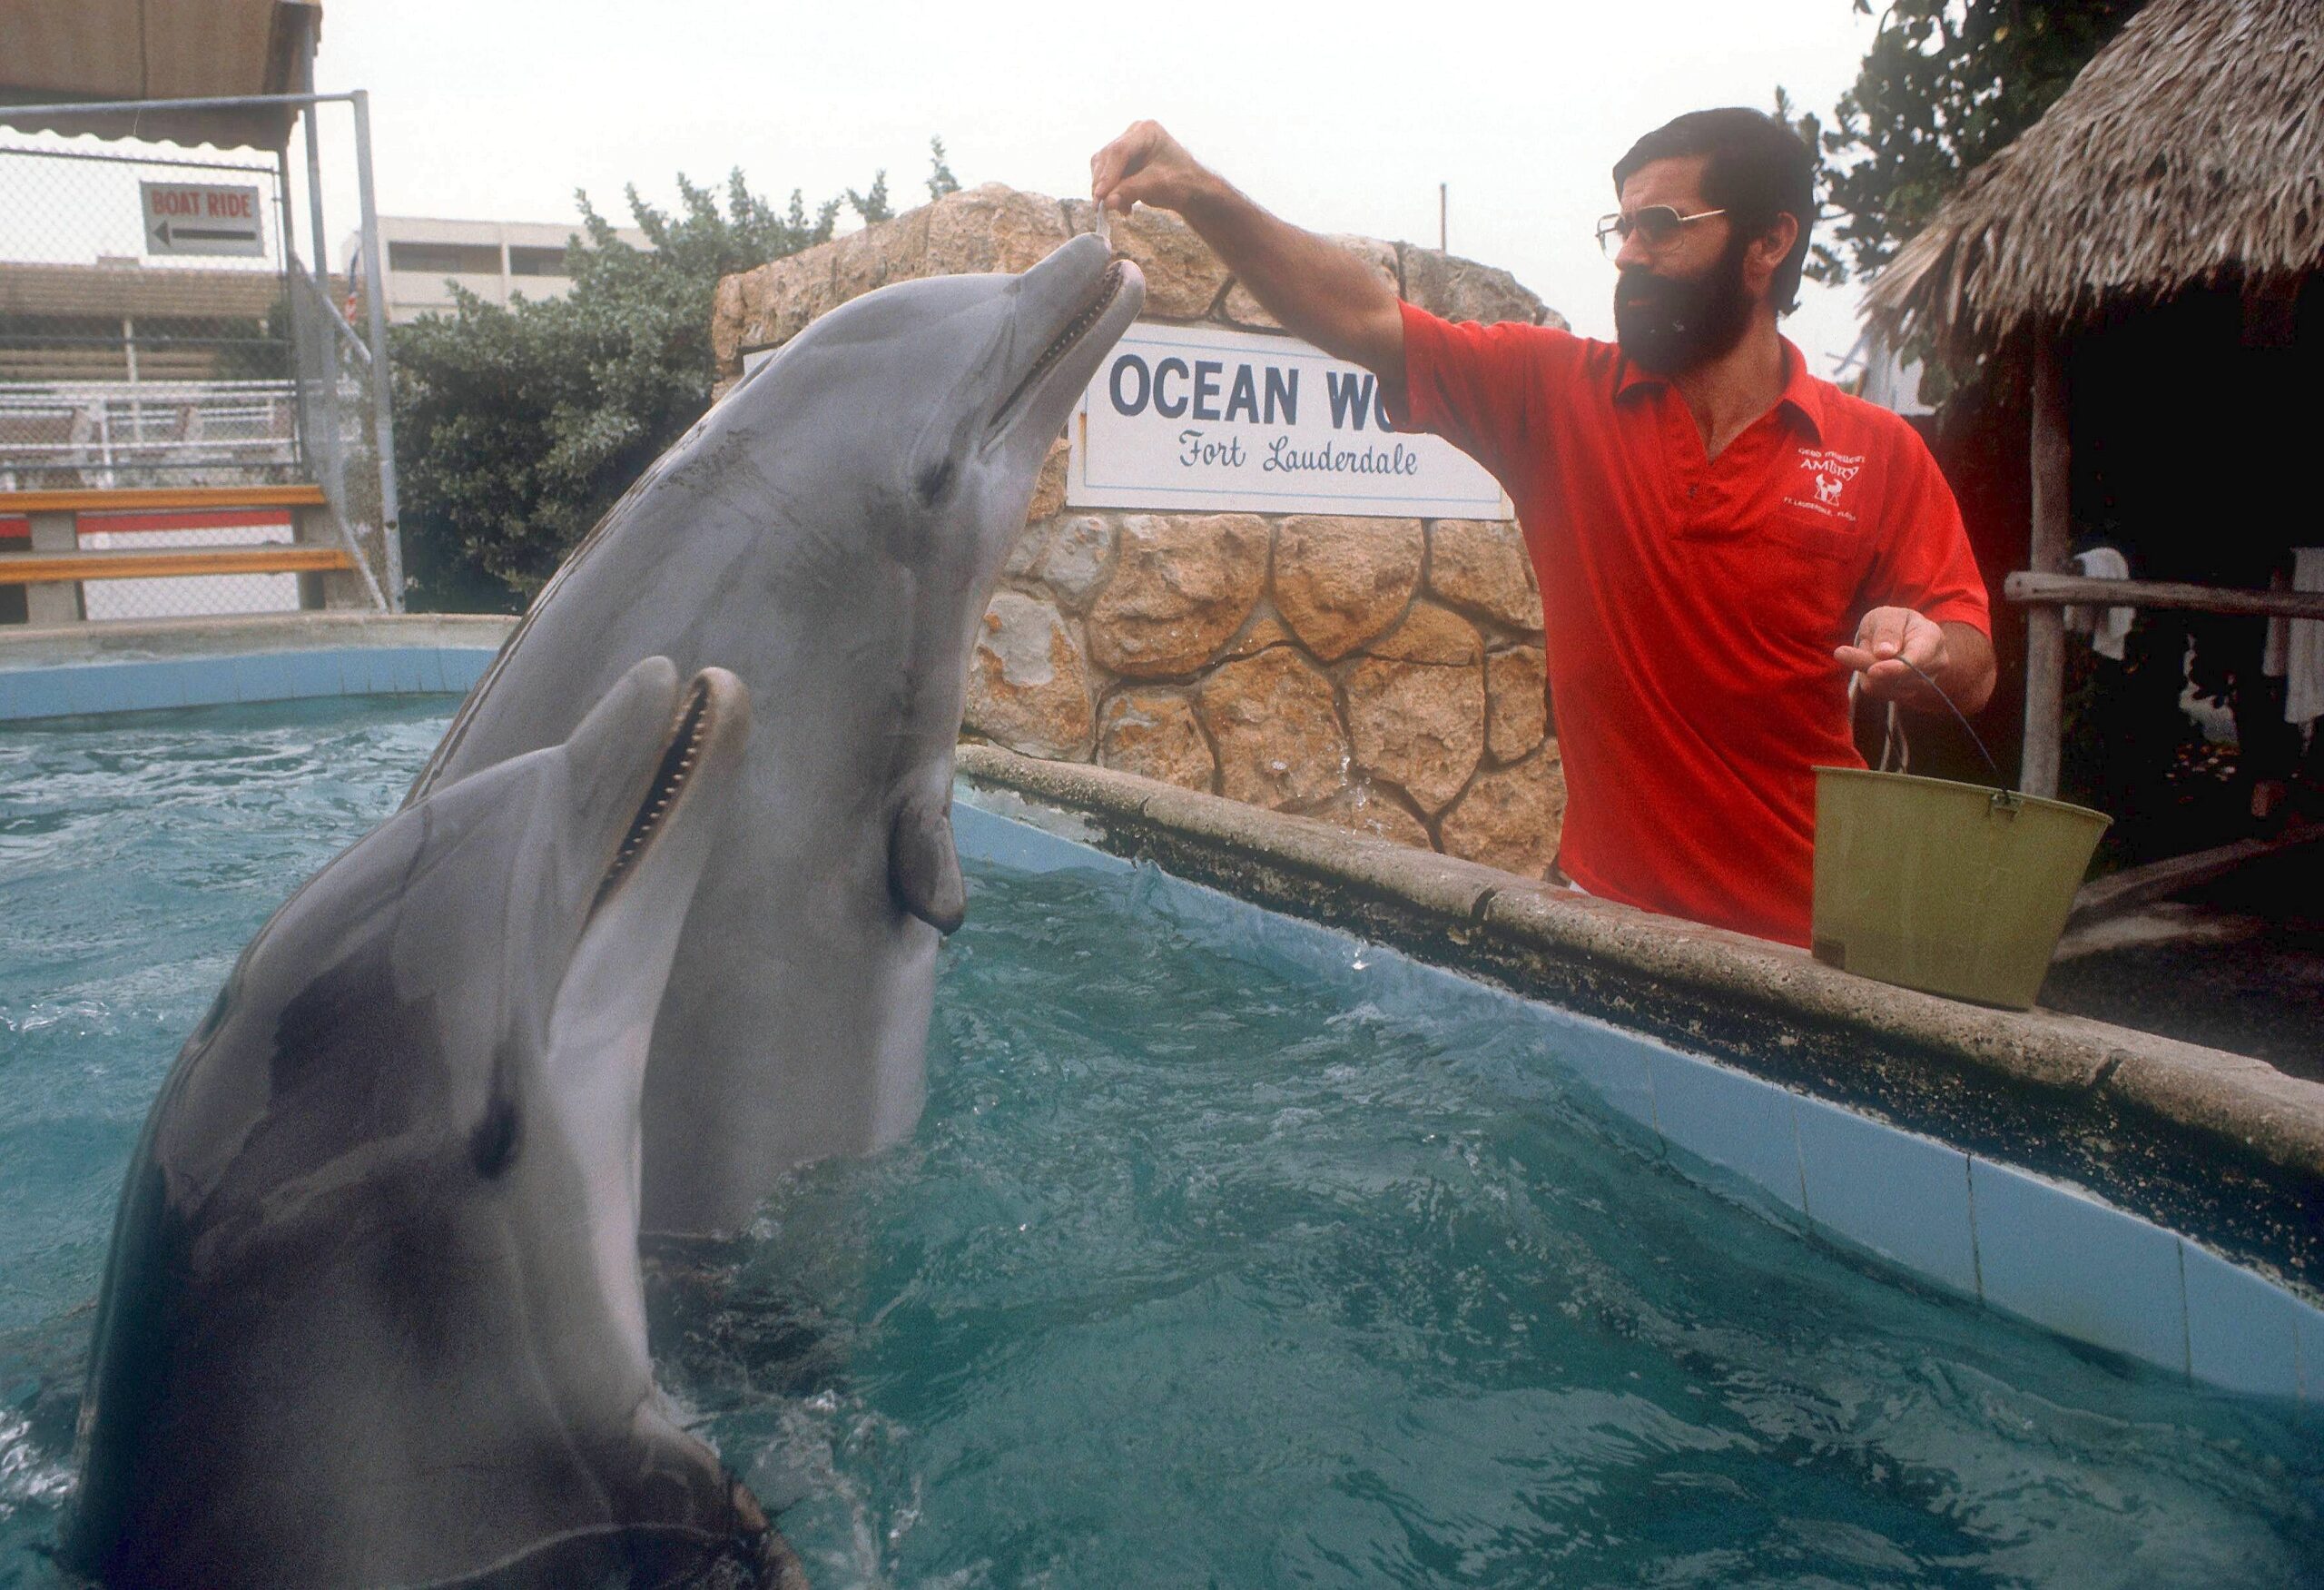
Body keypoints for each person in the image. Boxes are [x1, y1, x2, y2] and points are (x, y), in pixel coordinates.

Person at [1089, 109, 1996, 949]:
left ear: (1767, 243)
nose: (1628, 254)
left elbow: (1972, 657)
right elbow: (1362, 316)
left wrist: (1924, 648)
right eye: (1622, 227)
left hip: (1807, 945)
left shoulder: (1874, 450)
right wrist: (1198, 190)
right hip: (1604, 921)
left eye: (1662, 227)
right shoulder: (1556, 395)